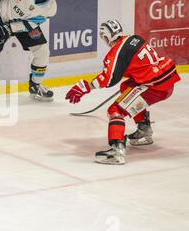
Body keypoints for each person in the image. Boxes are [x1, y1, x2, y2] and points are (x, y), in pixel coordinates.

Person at [65, 20, 181, 165]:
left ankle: (117, 150)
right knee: (126, 86)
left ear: (106, 37)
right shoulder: (134, 39)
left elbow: (109, 80)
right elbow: (138, 66)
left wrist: (85, 86)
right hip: (165, 83)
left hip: (153, 88)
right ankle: (144, 129)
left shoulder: (116, 53)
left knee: (115, 110)